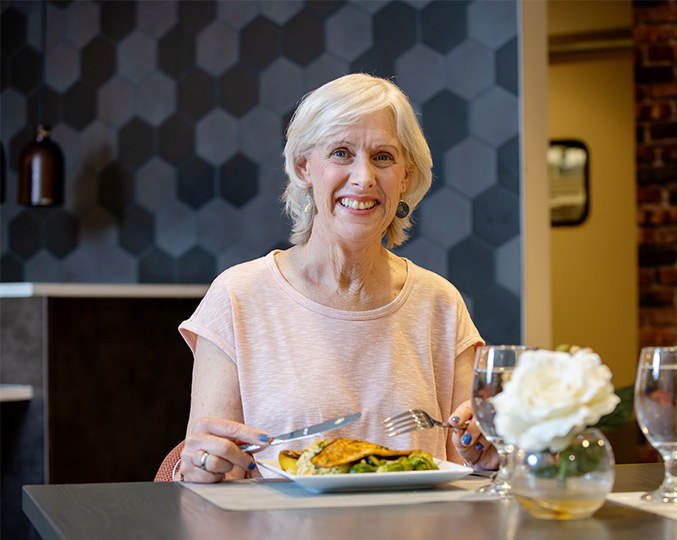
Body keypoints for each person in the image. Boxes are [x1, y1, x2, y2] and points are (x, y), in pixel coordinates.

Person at [177, 73, 498, 482]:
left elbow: (468, 467)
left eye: (383, 157)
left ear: (405, 176)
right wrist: (202, 466)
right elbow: (208, 473)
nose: (363, 178)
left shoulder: (441, 304)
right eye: (342, 153)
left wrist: (488, 457)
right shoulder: (238, 297)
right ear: (303, 166)